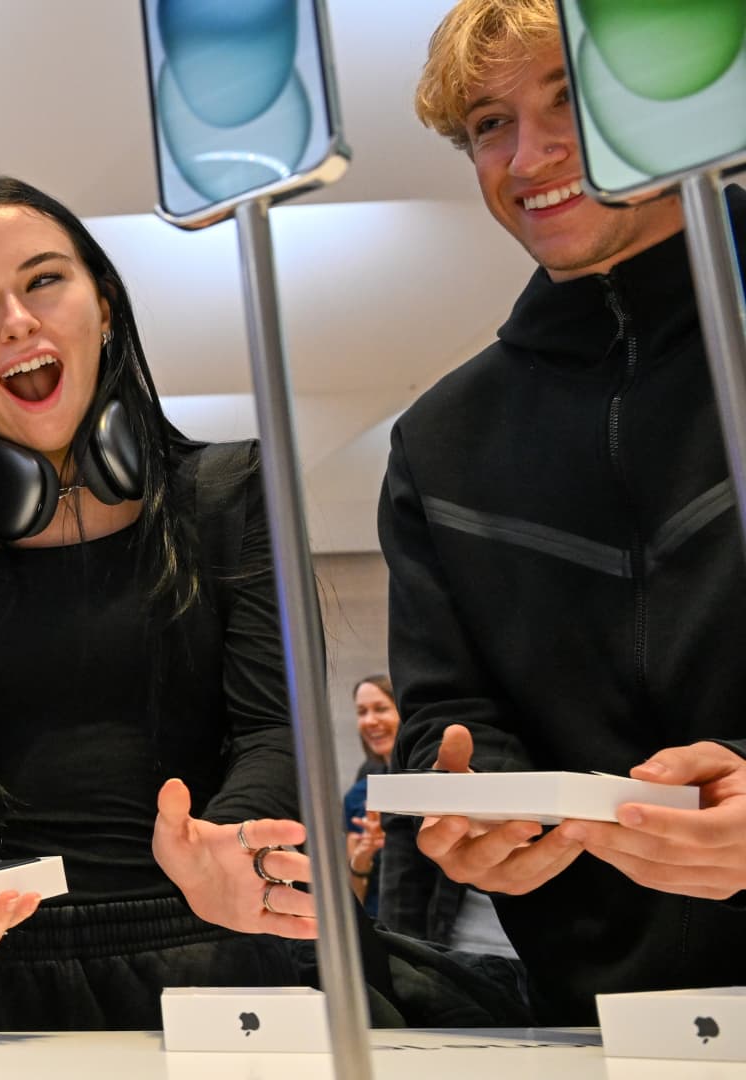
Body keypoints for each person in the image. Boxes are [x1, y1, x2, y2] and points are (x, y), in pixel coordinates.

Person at [0, 175, 315, 1032]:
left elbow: (275, 727)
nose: (18, 319)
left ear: (106, 307)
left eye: (44, 280)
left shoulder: (235, 491)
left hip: (213, 953)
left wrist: (228, 846)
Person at [383, 0, 746, 1024]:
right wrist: (473, 806)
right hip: (605, 1024)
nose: (530, 155)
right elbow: (446, 716)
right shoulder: (442, 442)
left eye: (570, 102)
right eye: (490, 124)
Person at [342, 675, 397, 912]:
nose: (370, 721)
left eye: (381, 709)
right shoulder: (358, 795)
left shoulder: (432, 784)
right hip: (378, 921)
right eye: (362, 712)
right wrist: (363, 856)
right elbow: (355, 898)